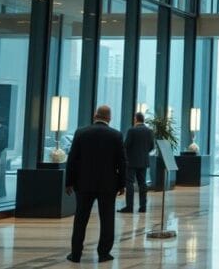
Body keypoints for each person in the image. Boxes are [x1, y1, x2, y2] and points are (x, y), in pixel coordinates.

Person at [64, 105, 126, 263]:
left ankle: (76, 253)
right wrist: (122, 184)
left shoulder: (81, 132)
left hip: (83, 184)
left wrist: (69, 182)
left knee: (80, 218)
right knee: (107, 219)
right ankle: (104, 253)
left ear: (94, 116)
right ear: (109, 118)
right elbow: (122, 162)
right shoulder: (116, 135)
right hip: (108, 185)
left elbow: (72, 159)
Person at [119, 112, 154, 213]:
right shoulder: (149, 131)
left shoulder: (132, 130)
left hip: (131, 161)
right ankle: (143, 206)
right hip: (143, 161)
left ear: (135, 119)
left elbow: (126, 145)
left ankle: (129, 207)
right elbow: (152, 146)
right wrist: (143, 153)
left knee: (129, 183)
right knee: (142, 184)